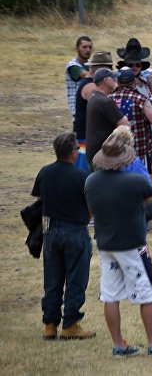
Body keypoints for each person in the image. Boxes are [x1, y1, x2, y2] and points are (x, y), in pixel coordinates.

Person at [85, 126, 152, 357]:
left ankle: (118, 344)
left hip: (106, 244)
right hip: (134, 244)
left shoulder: (91, 182)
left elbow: (89, 212)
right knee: (147, 293)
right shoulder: (134, 181)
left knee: (111, 295)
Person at [34, 132, 95, 340]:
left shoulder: (45, 172)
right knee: (76, 279)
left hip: (50, 231)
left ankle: (49, 324)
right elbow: (91, 206)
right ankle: (70, 324)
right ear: (72, 153)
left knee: (52, 279)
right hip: (75, 231)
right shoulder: (82, 176)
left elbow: (40, 198)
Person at [108, 69, 152, 183]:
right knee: (140, 182)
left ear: (118, 82)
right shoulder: (140, 99)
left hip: (115, 149)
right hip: (138, 150)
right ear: (133, 83)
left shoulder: (109, 99)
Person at [73, 51, 116, 170]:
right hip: (85, 137)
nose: (111, 70)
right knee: (85, 172)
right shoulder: (91, 86)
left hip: (88, 135)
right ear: (96, 67)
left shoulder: (89, 83)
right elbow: (102, 104)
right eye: (108, 67)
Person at [85, 68, 129, 165]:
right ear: (106, 80)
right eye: (113, 78)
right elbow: (125, 124)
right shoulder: (105, 102)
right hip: (104, 155)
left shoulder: (93, 97)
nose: (116, 80)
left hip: (94, 152)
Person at [66, 36, 92, 117]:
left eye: (90, 47)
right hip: (78, 109)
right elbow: (88, 75)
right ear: (77, 48)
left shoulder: (91, 65)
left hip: (89, 107)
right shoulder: (72, 65)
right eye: (84, 47)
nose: (88, 50)